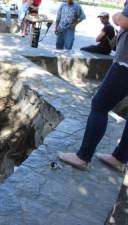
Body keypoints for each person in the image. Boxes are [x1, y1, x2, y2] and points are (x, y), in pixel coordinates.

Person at [58, 3, 128, 172]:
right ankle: (119, 158)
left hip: (125, 64)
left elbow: (125, 21)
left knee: (99, 105)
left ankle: (83, 157)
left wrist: (117, 16)